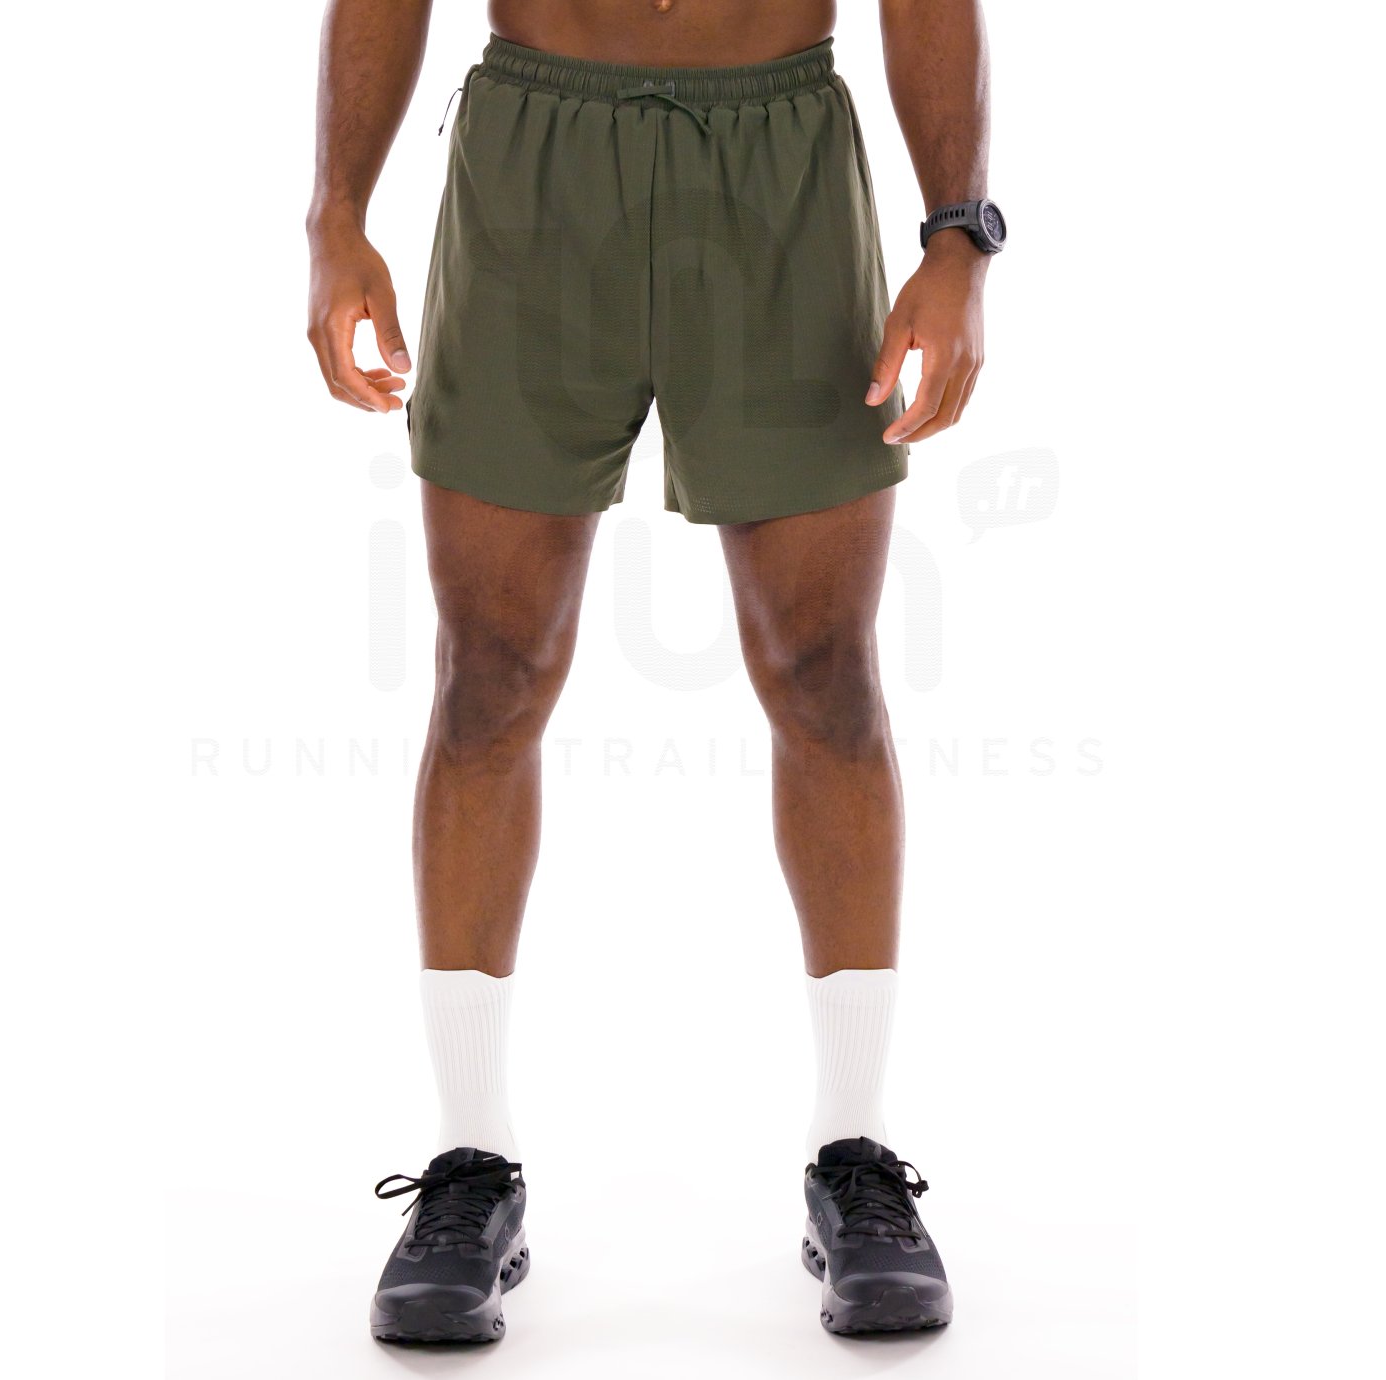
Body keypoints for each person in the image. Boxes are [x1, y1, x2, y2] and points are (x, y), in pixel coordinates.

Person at [307, 0, 1003, 1342]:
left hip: (780, 162)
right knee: (490, 676)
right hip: (533, 160)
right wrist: (335, 216)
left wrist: (957, 237)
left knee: (824, 675)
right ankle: (470, 1162)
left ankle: (855, 1156)